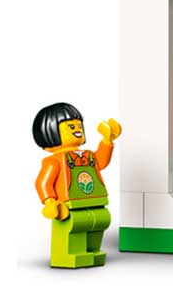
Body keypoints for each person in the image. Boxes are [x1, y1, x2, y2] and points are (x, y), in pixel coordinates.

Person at [33, 103, 120, 268]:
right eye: (71, 126)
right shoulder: (54, 161)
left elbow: (101, 162)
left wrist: (107, 141)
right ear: (51, 133)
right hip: (69, 206)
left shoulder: (87, 155)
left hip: (96, 201)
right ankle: (72, 254)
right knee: (75, 226)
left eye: (79, 125)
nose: (77, 129)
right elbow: (43, 182)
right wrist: (50, 202)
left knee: (98, 224)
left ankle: (93, 251)